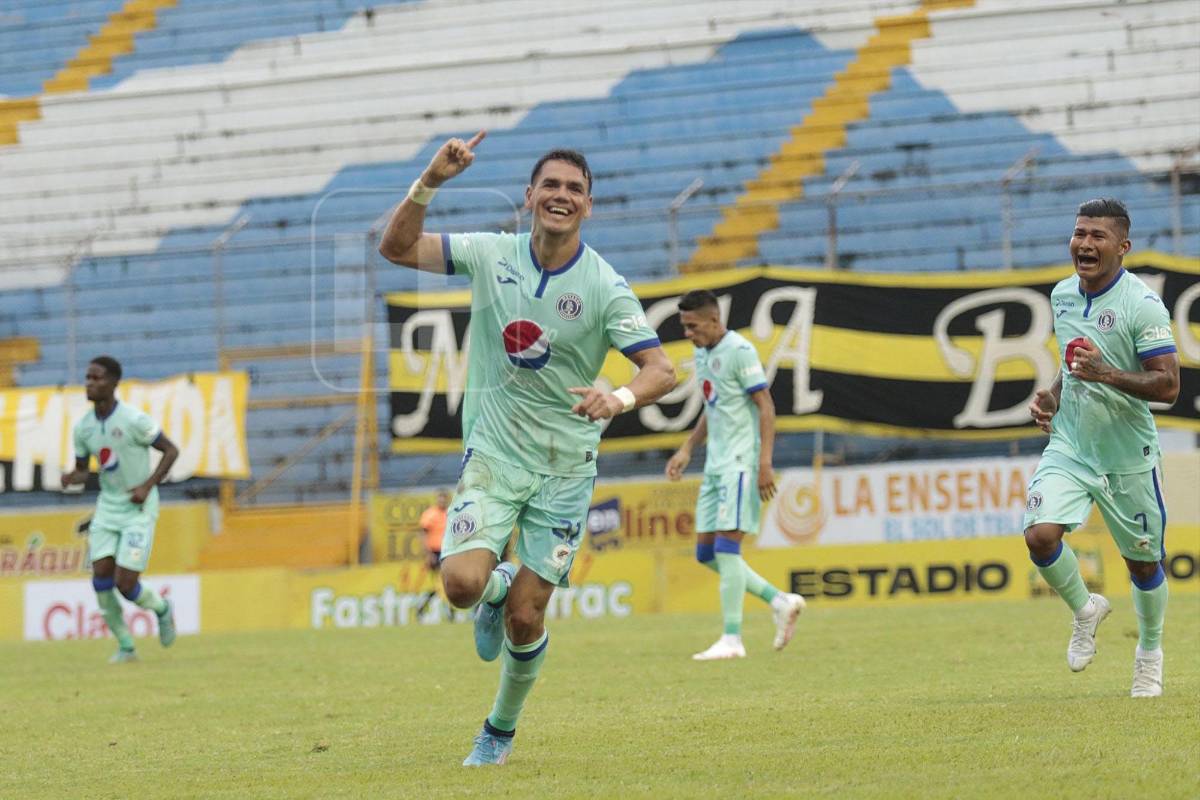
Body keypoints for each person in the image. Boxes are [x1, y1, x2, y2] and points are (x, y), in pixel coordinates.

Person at [378, 132, 675, 765]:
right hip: (495, 454)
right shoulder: (491, 254)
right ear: (529, 196)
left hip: (565, 469)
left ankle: (498, 731)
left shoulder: (604, 287)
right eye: (552, 186)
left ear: (588, 206)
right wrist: (431, 178)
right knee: (459, 584)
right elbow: (396, 246)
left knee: (524, 620)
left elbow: (661, 369)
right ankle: (492, 584)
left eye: (574, 189)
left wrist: (616, 399)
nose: (561, 197)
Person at [1024, 198, 1180, 697]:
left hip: (1126, 454)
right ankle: (1086, 609)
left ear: (1122, 247)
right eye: (1079, 233)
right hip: (1071, 442)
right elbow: (1073, 366)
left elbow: (1169, 386)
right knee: (1040, 536)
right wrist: (1053, 392)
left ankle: (1149, 654)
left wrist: (1105, 374)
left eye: (1097, 236)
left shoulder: (1142, 305)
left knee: (1143, 565)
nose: (1085, 244)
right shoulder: (1063, 295)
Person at [665, 290, 806, 660]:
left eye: (693, 327)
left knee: (727, 549)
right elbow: (714, 407)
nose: (688, 333)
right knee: (706, 553)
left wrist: (764, 463)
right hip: (715, 465)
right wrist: (687, 449)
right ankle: (780, 601)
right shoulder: (704, 352)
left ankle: (732, 639)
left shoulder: (740, 351)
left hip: (740, 464)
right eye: (684, 327)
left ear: (714, 321)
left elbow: (766, 406)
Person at [61, 356, 180, 663]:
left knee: (125, 583)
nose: (90, 383)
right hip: (108, 508)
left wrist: (148, 484)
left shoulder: (133, 420)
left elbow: (170, 450)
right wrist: (72, 477)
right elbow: (83, 470)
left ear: (114, 383)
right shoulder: (83, 428)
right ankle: (126, 646)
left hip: (138, 510)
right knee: (100, 575)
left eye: (97, 378)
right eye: (87, 377)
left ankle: (162, 609)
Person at [415, 489, 450, 618]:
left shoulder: (450, 513)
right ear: (437, 500)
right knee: (442, 583)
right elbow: (422, 534)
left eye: (444, 499)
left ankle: (422, 606)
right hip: (434, 553)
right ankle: (449, 612)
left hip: (447, 552)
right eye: (440, 498)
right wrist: (428, 554)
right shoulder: (430, 514)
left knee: (443, 585)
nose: (442, 501)